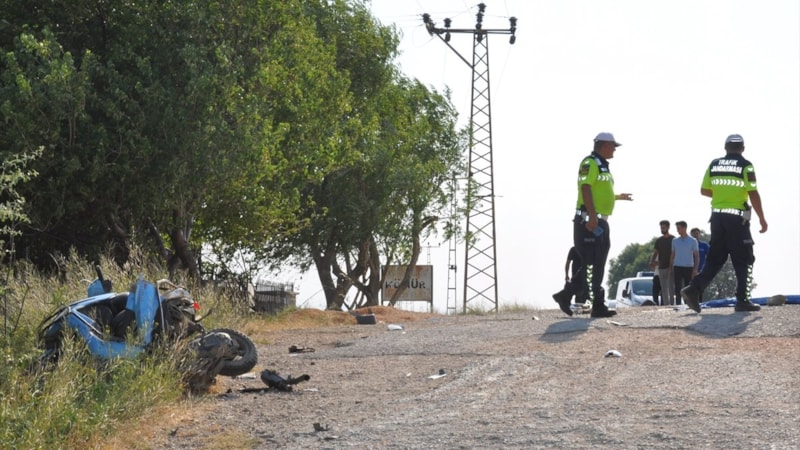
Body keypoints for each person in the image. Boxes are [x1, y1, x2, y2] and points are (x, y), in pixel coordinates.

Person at [681, 134, 768, 313]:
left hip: (717, 218)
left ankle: (693, 289)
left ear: (725, 147)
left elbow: (704, 190)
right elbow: (753, 192)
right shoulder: (746, 166)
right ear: (743, 148)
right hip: (737, 219)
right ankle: (743, 299)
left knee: (715, 259)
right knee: (745, 259)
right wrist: (761, 218)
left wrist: (722, 197)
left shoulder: (714, 164)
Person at [555, 132, 633, 318]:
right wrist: (591, 216)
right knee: (591, 263)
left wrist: (616, 197)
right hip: (589, 221)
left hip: (599, 220)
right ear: (603, 145)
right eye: (613, 145)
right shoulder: (590, 163)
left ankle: (591, 303)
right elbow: (585, 187)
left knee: (597, 264)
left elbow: (598, 191)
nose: (615, 149)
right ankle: (573, 297)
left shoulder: (603, 165)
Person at [670, 221, 699, 304]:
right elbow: (672, 255)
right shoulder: (675, 241)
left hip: (688, 267)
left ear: (684, 228)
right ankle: (678, 304)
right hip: (677, 266)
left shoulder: (693, 241)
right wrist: (671, 267)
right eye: (677, 228)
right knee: (678, 287)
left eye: (679, 228)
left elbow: (696, 255)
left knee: (688, 287)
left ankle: (688, 304)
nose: (677, 230)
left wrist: (695, 269)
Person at [649, 220, 674, 305]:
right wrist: (652, 261)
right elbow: (655, 252)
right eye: (661, 227)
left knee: (670, 287)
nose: (662, 229)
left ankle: (672, 303)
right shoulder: (659, 240)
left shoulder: (673, 239)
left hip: (671, 266)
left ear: (668, 227)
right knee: (663, 288)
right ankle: (666, 305)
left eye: (663, 227)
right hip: (661, 267)